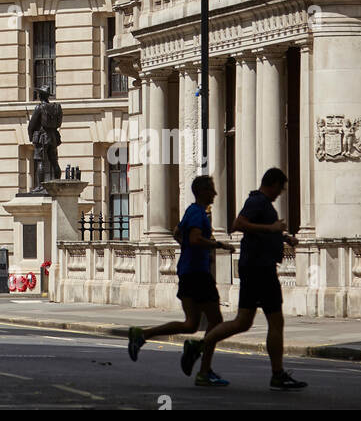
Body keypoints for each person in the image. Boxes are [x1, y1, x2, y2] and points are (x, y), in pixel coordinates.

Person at [195, 167, 308, 391]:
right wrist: (272, 227)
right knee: (275, 321)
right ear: (273, 184)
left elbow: (259, 231)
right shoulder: (257, 201)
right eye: (280, 188)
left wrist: (283, 236)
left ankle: (198, 345)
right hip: (260, 268)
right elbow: (238, 224)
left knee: (243, 322)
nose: (280, 193)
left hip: (256, 267)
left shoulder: (262, 204)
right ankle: (277, 375)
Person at [127, 175, 233, 386]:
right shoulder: (197, 213)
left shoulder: (191, 212)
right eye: (211, 189)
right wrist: (217, 245)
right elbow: (194, 239)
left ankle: (143, 334)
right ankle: (203, 369)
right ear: (202, 191)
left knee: (191, 323)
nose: (215, 193)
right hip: (198, 274)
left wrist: (188, 248)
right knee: (216, 322)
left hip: (187, 271)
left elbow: (177, 233)